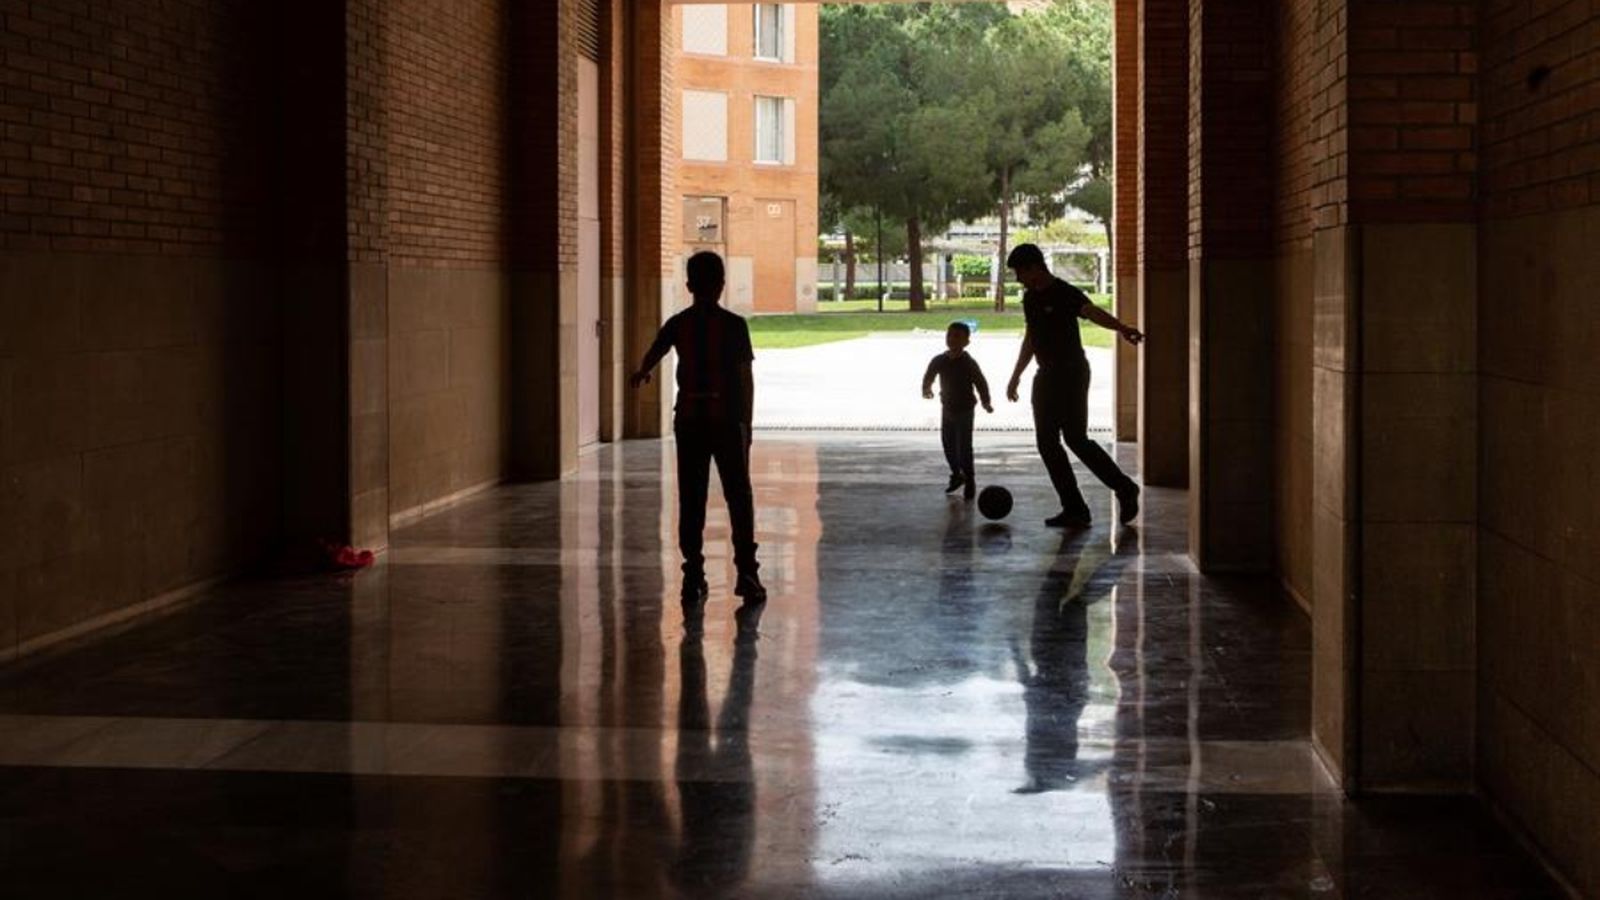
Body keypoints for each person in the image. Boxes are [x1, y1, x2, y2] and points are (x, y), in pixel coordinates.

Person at [631, 251, 766, 605]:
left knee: (692, 497)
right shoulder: (734, 325)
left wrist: (642, 372)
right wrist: (747, 425)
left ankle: (693, 574)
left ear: (689, 285)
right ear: (722, 285)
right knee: (739, 496)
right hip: (727, 421)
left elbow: (656, 351)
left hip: (690, 421)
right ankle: (747, 573)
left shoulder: (680, 323)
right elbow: (745, 379)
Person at [1003, 243, 1144, 528]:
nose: (1019, 279)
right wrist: (1016, 374)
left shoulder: (1064, 292)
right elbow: (1032, 337)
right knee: (1047, 443)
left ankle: (1124, 488)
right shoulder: (1030, 299)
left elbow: (1092, 312)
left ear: (1034, 267)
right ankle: (1074, 508)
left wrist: (1122, 328)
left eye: (1020, 272)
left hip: (1072, 373)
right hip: (1045, 375)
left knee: (1076, 439)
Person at [922, 321, 993, 500]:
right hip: (947, 408)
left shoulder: (969, 363)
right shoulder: (939, 360)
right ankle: (956, 474)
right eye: (949, 335)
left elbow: (981, 383)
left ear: (966, 342)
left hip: (965, 410)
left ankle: (970, 479)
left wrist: (986, 402)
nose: (952, 339)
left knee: (964, 447)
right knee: (948, 444)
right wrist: (926, 389)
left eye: (957, 336)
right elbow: (929, 376)